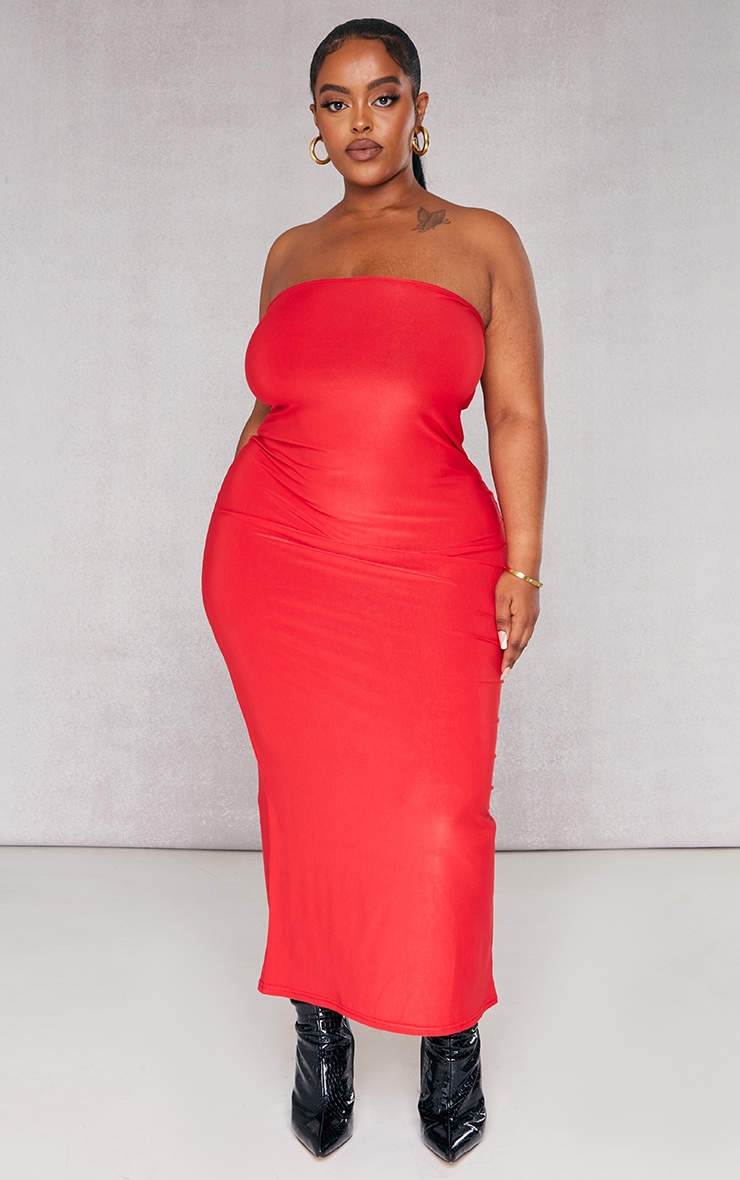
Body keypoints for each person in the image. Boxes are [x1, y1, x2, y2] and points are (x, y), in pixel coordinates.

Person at [202, 17, 547, 1163]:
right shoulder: (289, 253)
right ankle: (321, 1028)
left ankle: (449, 1038)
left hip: (429, 562)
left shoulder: (480, 240)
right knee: (307, 806)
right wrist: (230, 528)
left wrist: (522, 561)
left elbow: (513, 413)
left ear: (418, 109)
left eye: (382, 95)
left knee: (440, 812)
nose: (360, 121)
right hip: (276, 564)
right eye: (335, 100)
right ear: (313, 122)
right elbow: (272, 404)